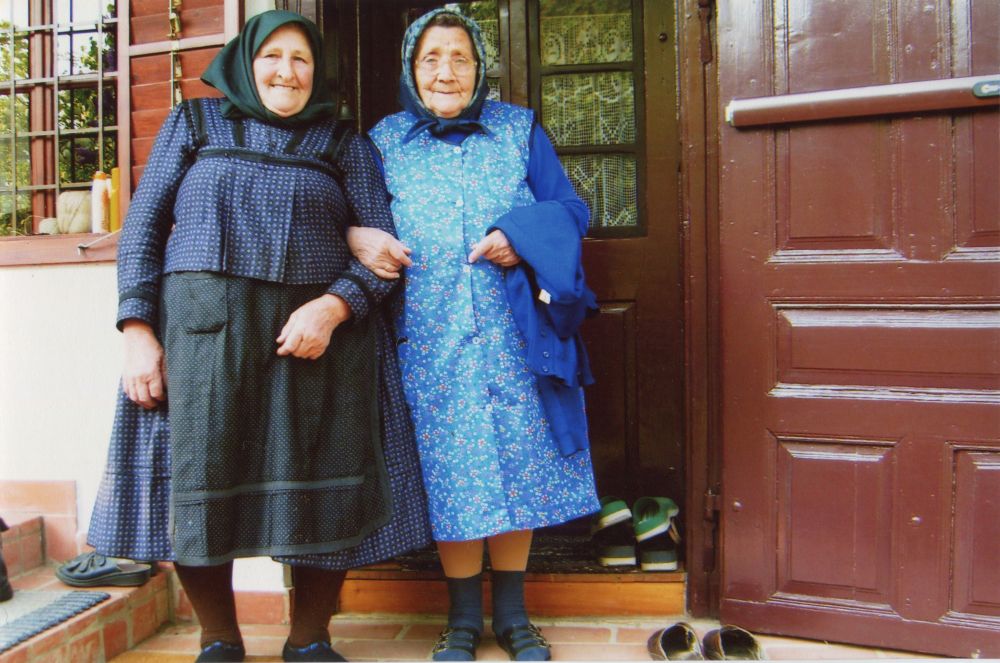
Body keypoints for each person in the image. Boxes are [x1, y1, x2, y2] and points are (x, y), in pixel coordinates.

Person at [85, 11, 431, 662]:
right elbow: (143, 231)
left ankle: (309, 638)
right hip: (203, 339)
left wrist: (332, 308)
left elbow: (384, 258)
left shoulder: (342, 143)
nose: (286, 71)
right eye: (273, 55)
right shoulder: (194, 123)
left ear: (316, 73)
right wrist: (137, 330)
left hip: (314, 348)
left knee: (324, 485)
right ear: (245, 61)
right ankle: (218, 636)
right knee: (197, 481)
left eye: (301, 60)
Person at [350, 9, 600, 662]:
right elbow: (351, 216)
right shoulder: (384, 142)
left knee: (515, 467)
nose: (446, 71)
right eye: (431, 57)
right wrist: (356, 235)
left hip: (514, 337)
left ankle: (514, 618)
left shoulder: (518, 131)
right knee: (452, 473)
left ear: (480, 67)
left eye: (460, 57)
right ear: (412, 68)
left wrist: (521, 236)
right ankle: (463, 619)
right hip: (430, 338)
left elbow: (572, 209)